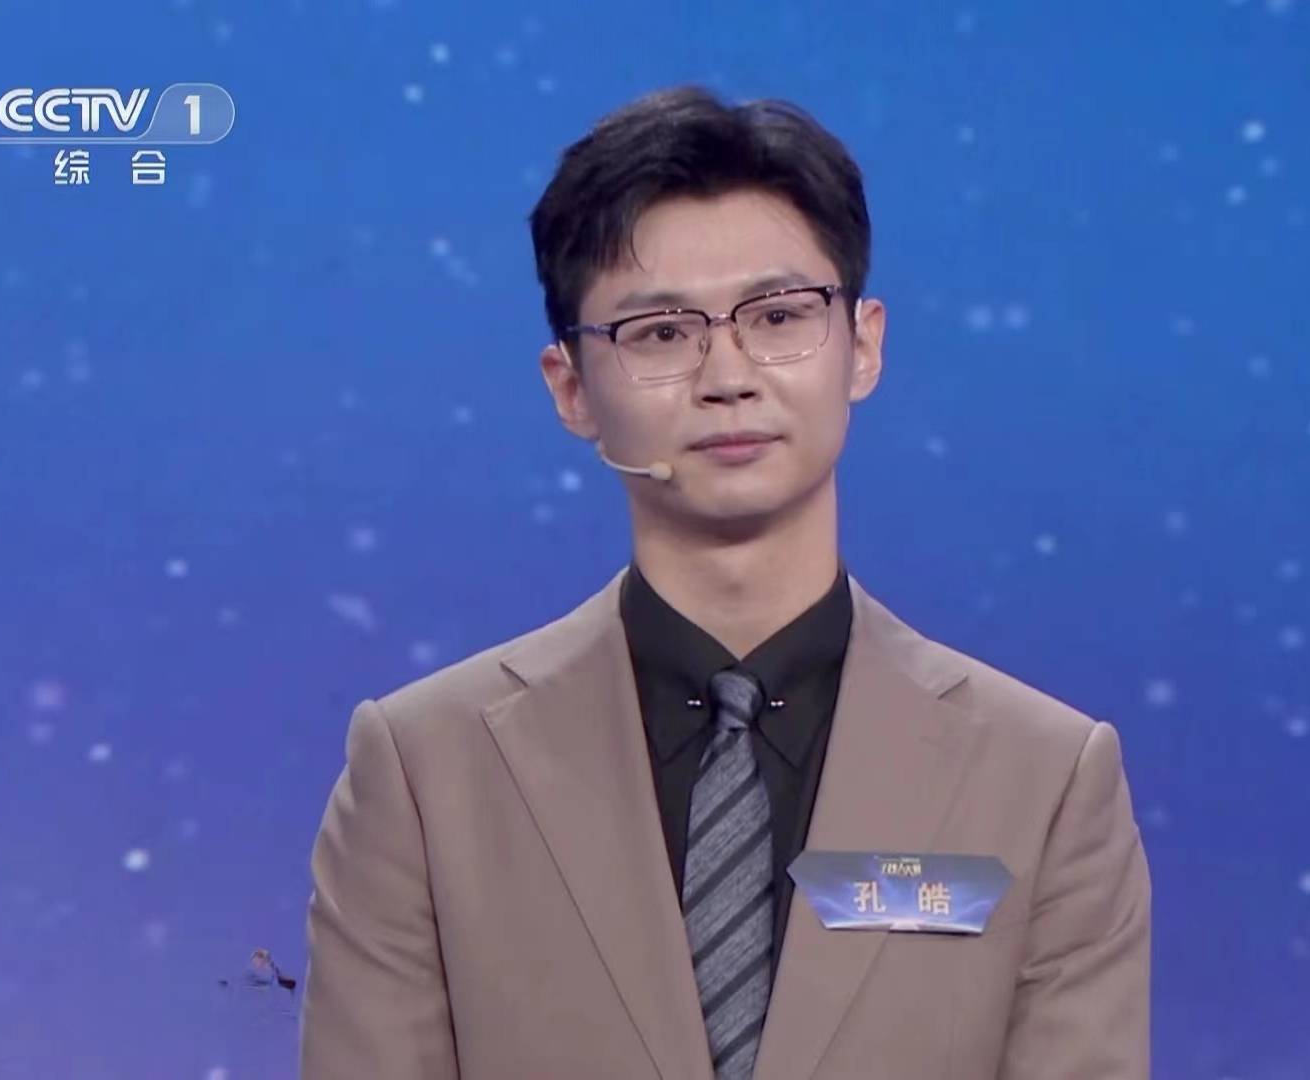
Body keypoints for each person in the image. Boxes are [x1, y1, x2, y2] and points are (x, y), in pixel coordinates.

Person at [299, 84, 1151, 1079]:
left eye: (778, 316)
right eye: (661, 333)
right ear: (570, 388)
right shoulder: (424, 774)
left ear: (863, 344)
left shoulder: (1042, 780)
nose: (728, 375)